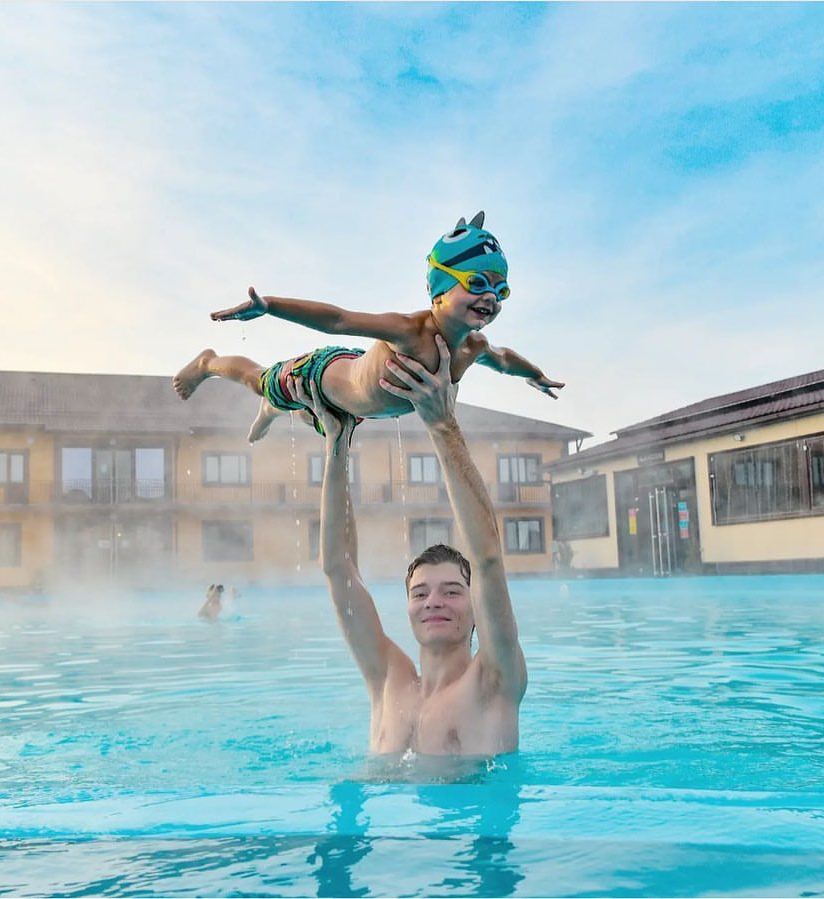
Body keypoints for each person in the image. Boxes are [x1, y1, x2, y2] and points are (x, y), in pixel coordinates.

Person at [289, 334, 527, 756]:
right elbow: (338, 570)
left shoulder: (493, 683)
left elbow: (488, 560)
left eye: (452, 591)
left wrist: (442, 425)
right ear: (408, 607)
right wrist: (337, 441)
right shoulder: (387, 680)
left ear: (478, 609)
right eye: (420, 593)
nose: (434, 602)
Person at [173, 211, 564, 442]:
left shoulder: (472, 347)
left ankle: (277, 411)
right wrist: (270, 306)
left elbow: (504, 360)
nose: (490, 298)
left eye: (500, 289)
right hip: (322, 374)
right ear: (439, 292)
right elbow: (338, 319)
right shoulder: (409, 329)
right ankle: (209, 363)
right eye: (476, 284)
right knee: (259, 380)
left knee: (315, 416)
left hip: (359, 406)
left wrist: (535, 375)